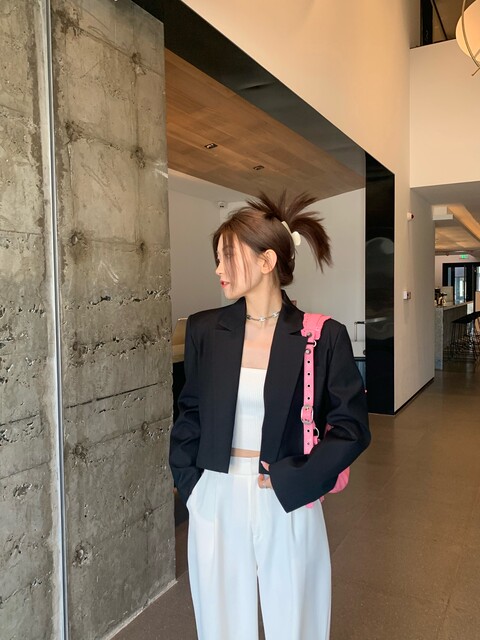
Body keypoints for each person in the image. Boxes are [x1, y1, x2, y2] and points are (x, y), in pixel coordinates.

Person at [169, 192, 370, 640]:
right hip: (215, 493)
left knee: (296, 620)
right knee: (221, 624)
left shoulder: (323, 336)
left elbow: (352, 428)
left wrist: (298, 479)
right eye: (217, 258)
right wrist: (192, 486)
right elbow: (190, 410)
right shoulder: (206, 329)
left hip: (285, 492)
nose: (218, 269)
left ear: (266, 261)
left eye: (227, 257)